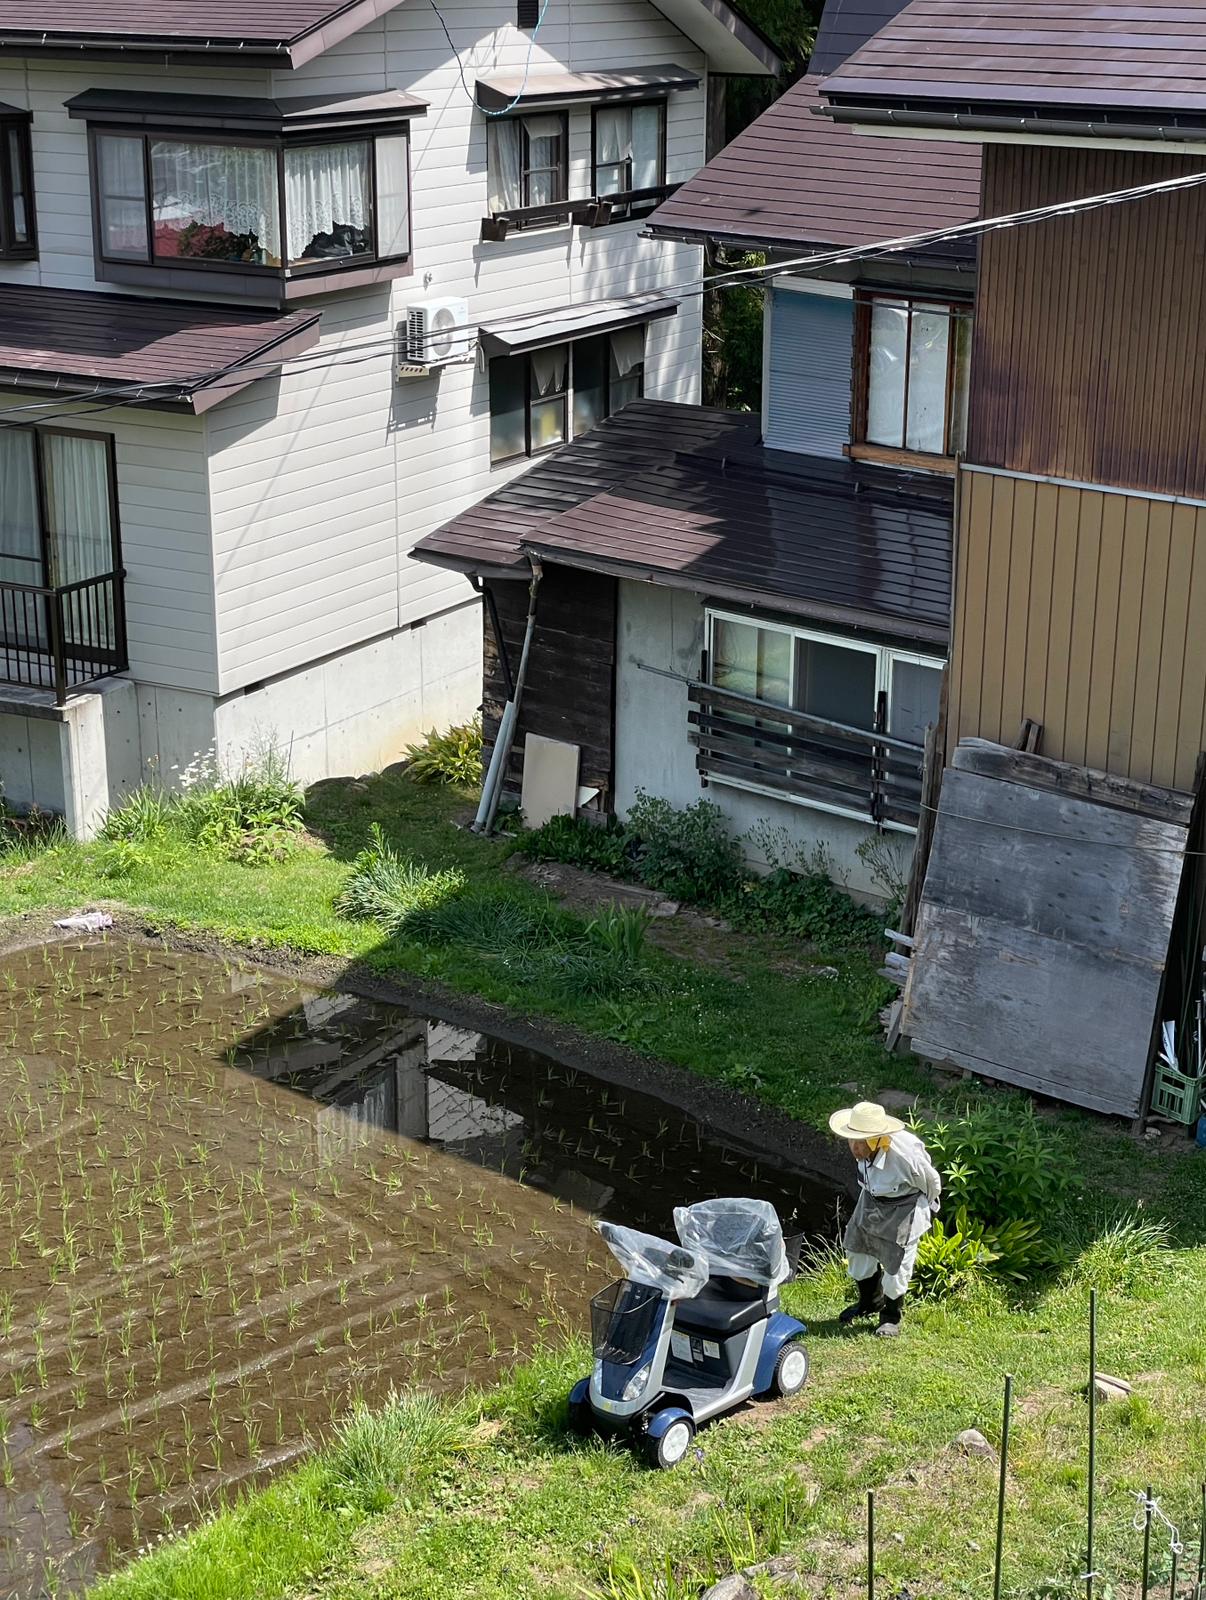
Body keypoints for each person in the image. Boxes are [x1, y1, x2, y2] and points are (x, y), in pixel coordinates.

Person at [828, 1101, 941, 1339]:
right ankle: (870, 1303)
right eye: (851, 1140)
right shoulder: (862, 1150)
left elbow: (931, 1183)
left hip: (903, 1206)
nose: (854, 1148)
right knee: (856, 1250)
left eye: (860, 1142)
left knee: (896, 1264)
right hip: (871, 1199)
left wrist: (927, 1209)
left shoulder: (906, 1155)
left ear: (878, 1140)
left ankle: (891, 1317)